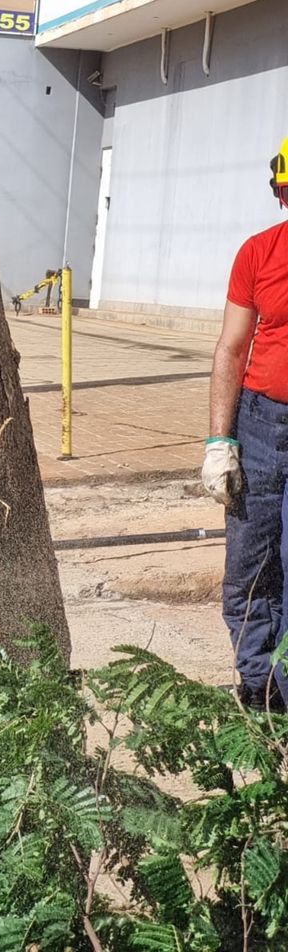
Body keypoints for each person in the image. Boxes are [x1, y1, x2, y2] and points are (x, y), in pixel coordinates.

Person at [203, 138, 288, 712]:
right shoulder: (258, 254)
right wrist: (219, 441)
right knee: (249, 576)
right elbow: (232, 349)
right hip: (260, 424)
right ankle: (261, 698)